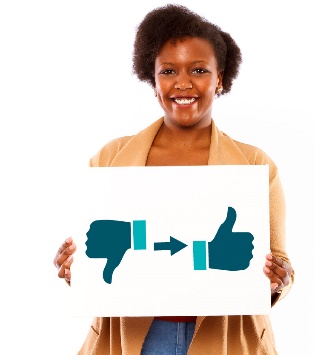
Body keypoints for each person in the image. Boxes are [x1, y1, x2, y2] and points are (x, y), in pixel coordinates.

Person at [53, 4, 294, 354]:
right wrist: (76, 267)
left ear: (220, 78)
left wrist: (278, 278)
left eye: (198, 69)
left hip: (224, 339)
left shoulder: (256, 164)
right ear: (153, 79)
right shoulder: (108, 161)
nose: (183, 83)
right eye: (168, 71)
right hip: (133, 338)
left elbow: (281, 263)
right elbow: (101, 259)